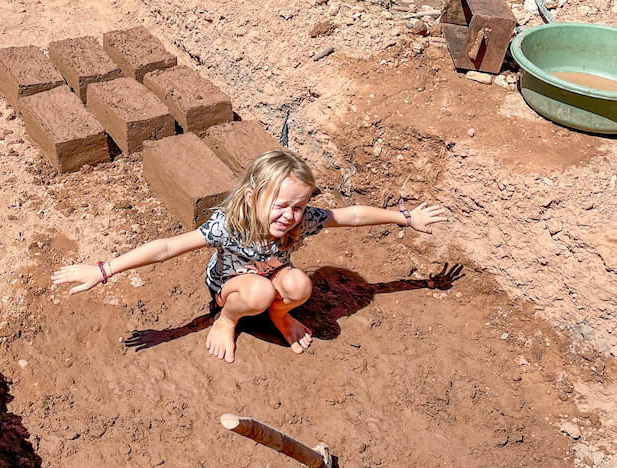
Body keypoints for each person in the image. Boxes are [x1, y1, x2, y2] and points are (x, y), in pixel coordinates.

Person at [52, 148, 448, 364]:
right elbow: (168, 247)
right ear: (250, 197)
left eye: (297, 207)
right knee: (257, 292)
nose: (289, 216)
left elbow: (351, 215)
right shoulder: (228, 226)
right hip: (233, 287)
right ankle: (226, 322)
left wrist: (406, 218)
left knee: (298, 283)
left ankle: (280, 315)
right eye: (280, 205)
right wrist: (106, 269)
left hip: (274, 278)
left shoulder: (301, 222)